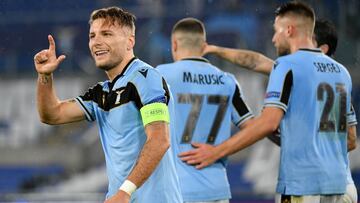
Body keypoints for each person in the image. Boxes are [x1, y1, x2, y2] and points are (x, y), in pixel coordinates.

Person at [180, 1, 353, 202]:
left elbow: (269, 122)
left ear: (289, 30)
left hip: (304, 186)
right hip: (342, 185)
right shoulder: (341, 73)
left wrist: (216, 152)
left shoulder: (287, 65)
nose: (273, 38)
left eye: (276, 31)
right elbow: (350, 138)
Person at [33, 6, 182, 203]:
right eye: (92, 35)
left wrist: (125, 191)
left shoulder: (146, 78)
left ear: (130, 41)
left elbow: (159, 140)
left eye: (107, 34)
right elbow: (51, 114)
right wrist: (45, 76)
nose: (97, 42)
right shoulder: (101, 93)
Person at [156, 18, 254, 203]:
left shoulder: (161, 74)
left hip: (175, 189)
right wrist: (219, 150)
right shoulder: (227, 80)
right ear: (204, 46)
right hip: (216, 189)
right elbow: (254, 128)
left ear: (174, 44)